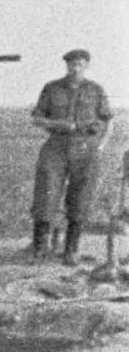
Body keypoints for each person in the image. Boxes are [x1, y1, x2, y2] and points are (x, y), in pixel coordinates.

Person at [29, 49, 112, 263]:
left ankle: (71, 250)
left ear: (86, 66)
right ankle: (39, 249)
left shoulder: (96, 90)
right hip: (56, 145)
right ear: (66, 66)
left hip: (85, 148)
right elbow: (37, 118)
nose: (76, 69)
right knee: (46, 193)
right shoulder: (52, 88)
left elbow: (107, 119)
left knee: (81, 197)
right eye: (72, 65)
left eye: (80, 65)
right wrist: (59, 124)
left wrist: (100, 144)